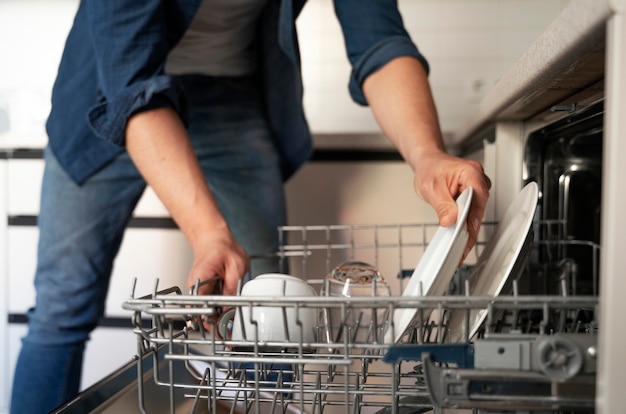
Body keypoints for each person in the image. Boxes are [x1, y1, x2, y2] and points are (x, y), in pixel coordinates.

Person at [10, 0, 491, 412]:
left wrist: (427, 154)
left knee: (268, 312)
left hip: (230, 96)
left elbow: (378, 39)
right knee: (61, 309)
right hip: (110, 93)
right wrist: (208, 232)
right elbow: (130, 81)